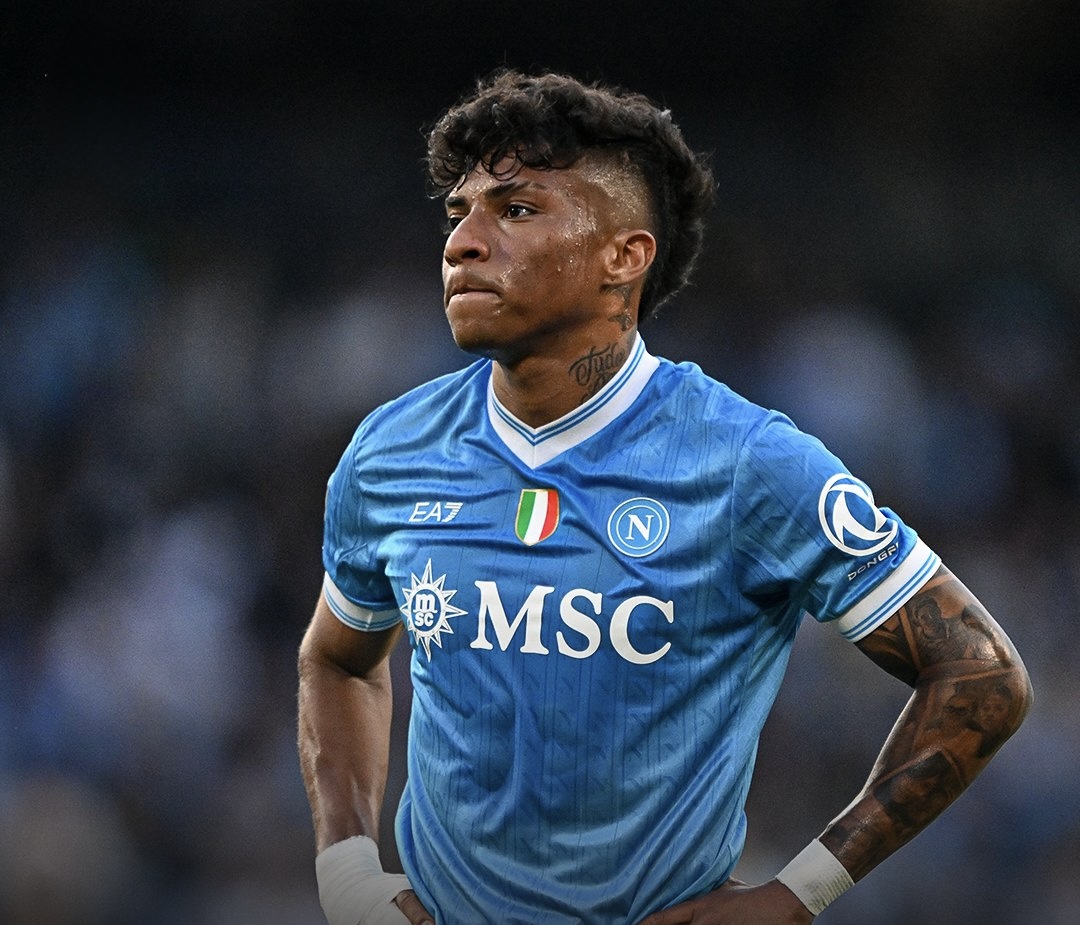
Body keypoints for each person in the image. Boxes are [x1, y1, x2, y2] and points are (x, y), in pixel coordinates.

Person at [296, 69, 1032, 925]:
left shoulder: (747, 461)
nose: (463, 242)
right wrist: (346, 869)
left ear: (625, 256)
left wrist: (802, 893)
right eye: (458, 213)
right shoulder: (392, 450)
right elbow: (337, 659)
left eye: (516, 209)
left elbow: (982, 674)